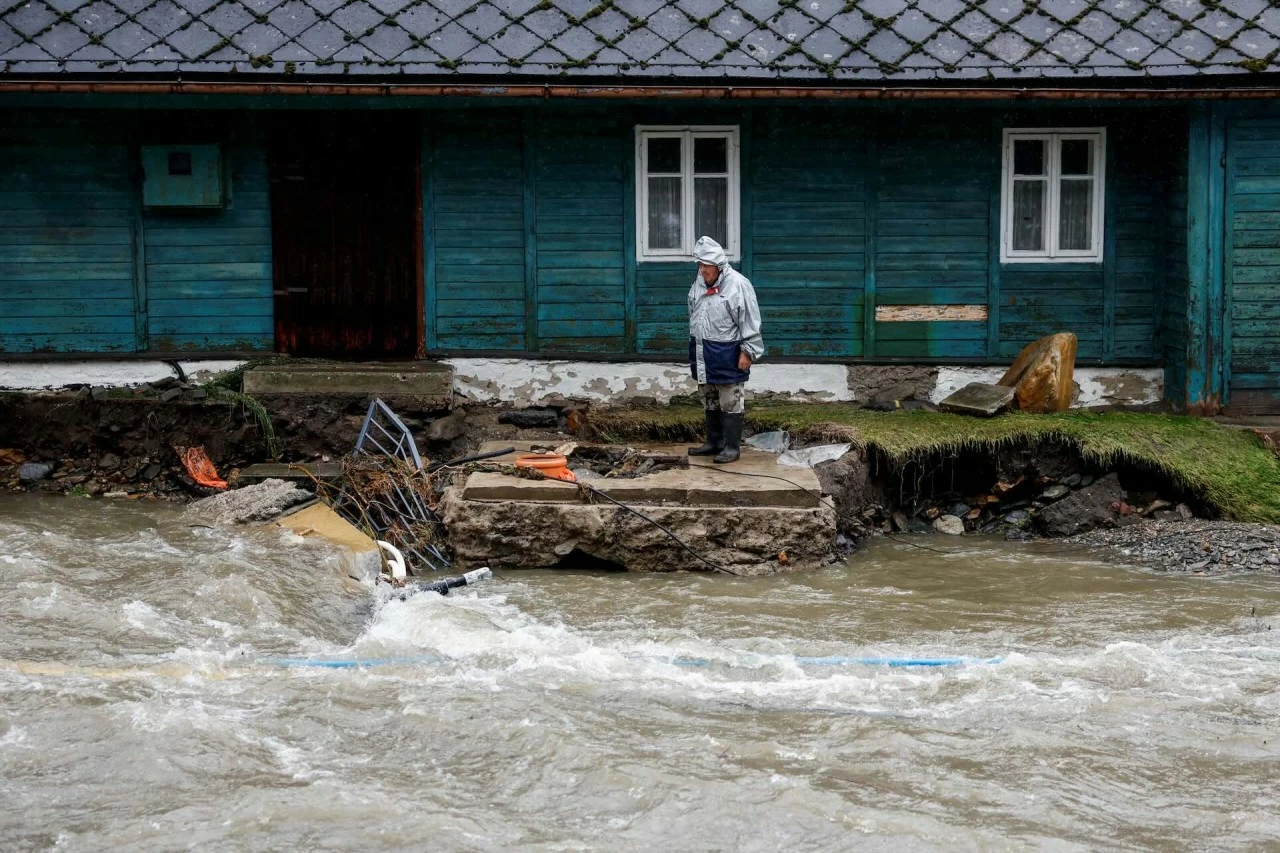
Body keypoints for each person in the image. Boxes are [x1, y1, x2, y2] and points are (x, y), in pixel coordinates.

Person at [686, 235, 764, 464]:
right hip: (702, 350)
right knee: (709, 397)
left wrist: (748, 351)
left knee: (730, 399)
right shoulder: (699, 283)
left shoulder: (738, 284)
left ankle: (731, 447)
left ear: (719, 266)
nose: (702, 270)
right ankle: (714, 442)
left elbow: (750, 319)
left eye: (706, 266)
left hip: (728, 351)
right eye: (699, 265)